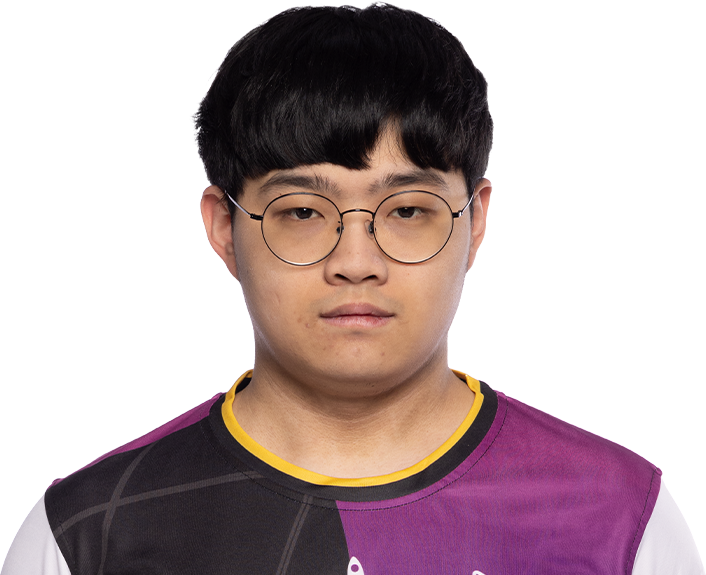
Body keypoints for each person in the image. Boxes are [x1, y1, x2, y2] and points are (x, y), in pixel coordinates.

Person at [2, 2, 703, 574]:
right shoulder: (89, 533)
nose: (357, 261)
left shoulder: (618, 518)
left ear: (475, 222)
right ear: (224, 228)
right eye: (304, 212)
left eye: (408, 211)